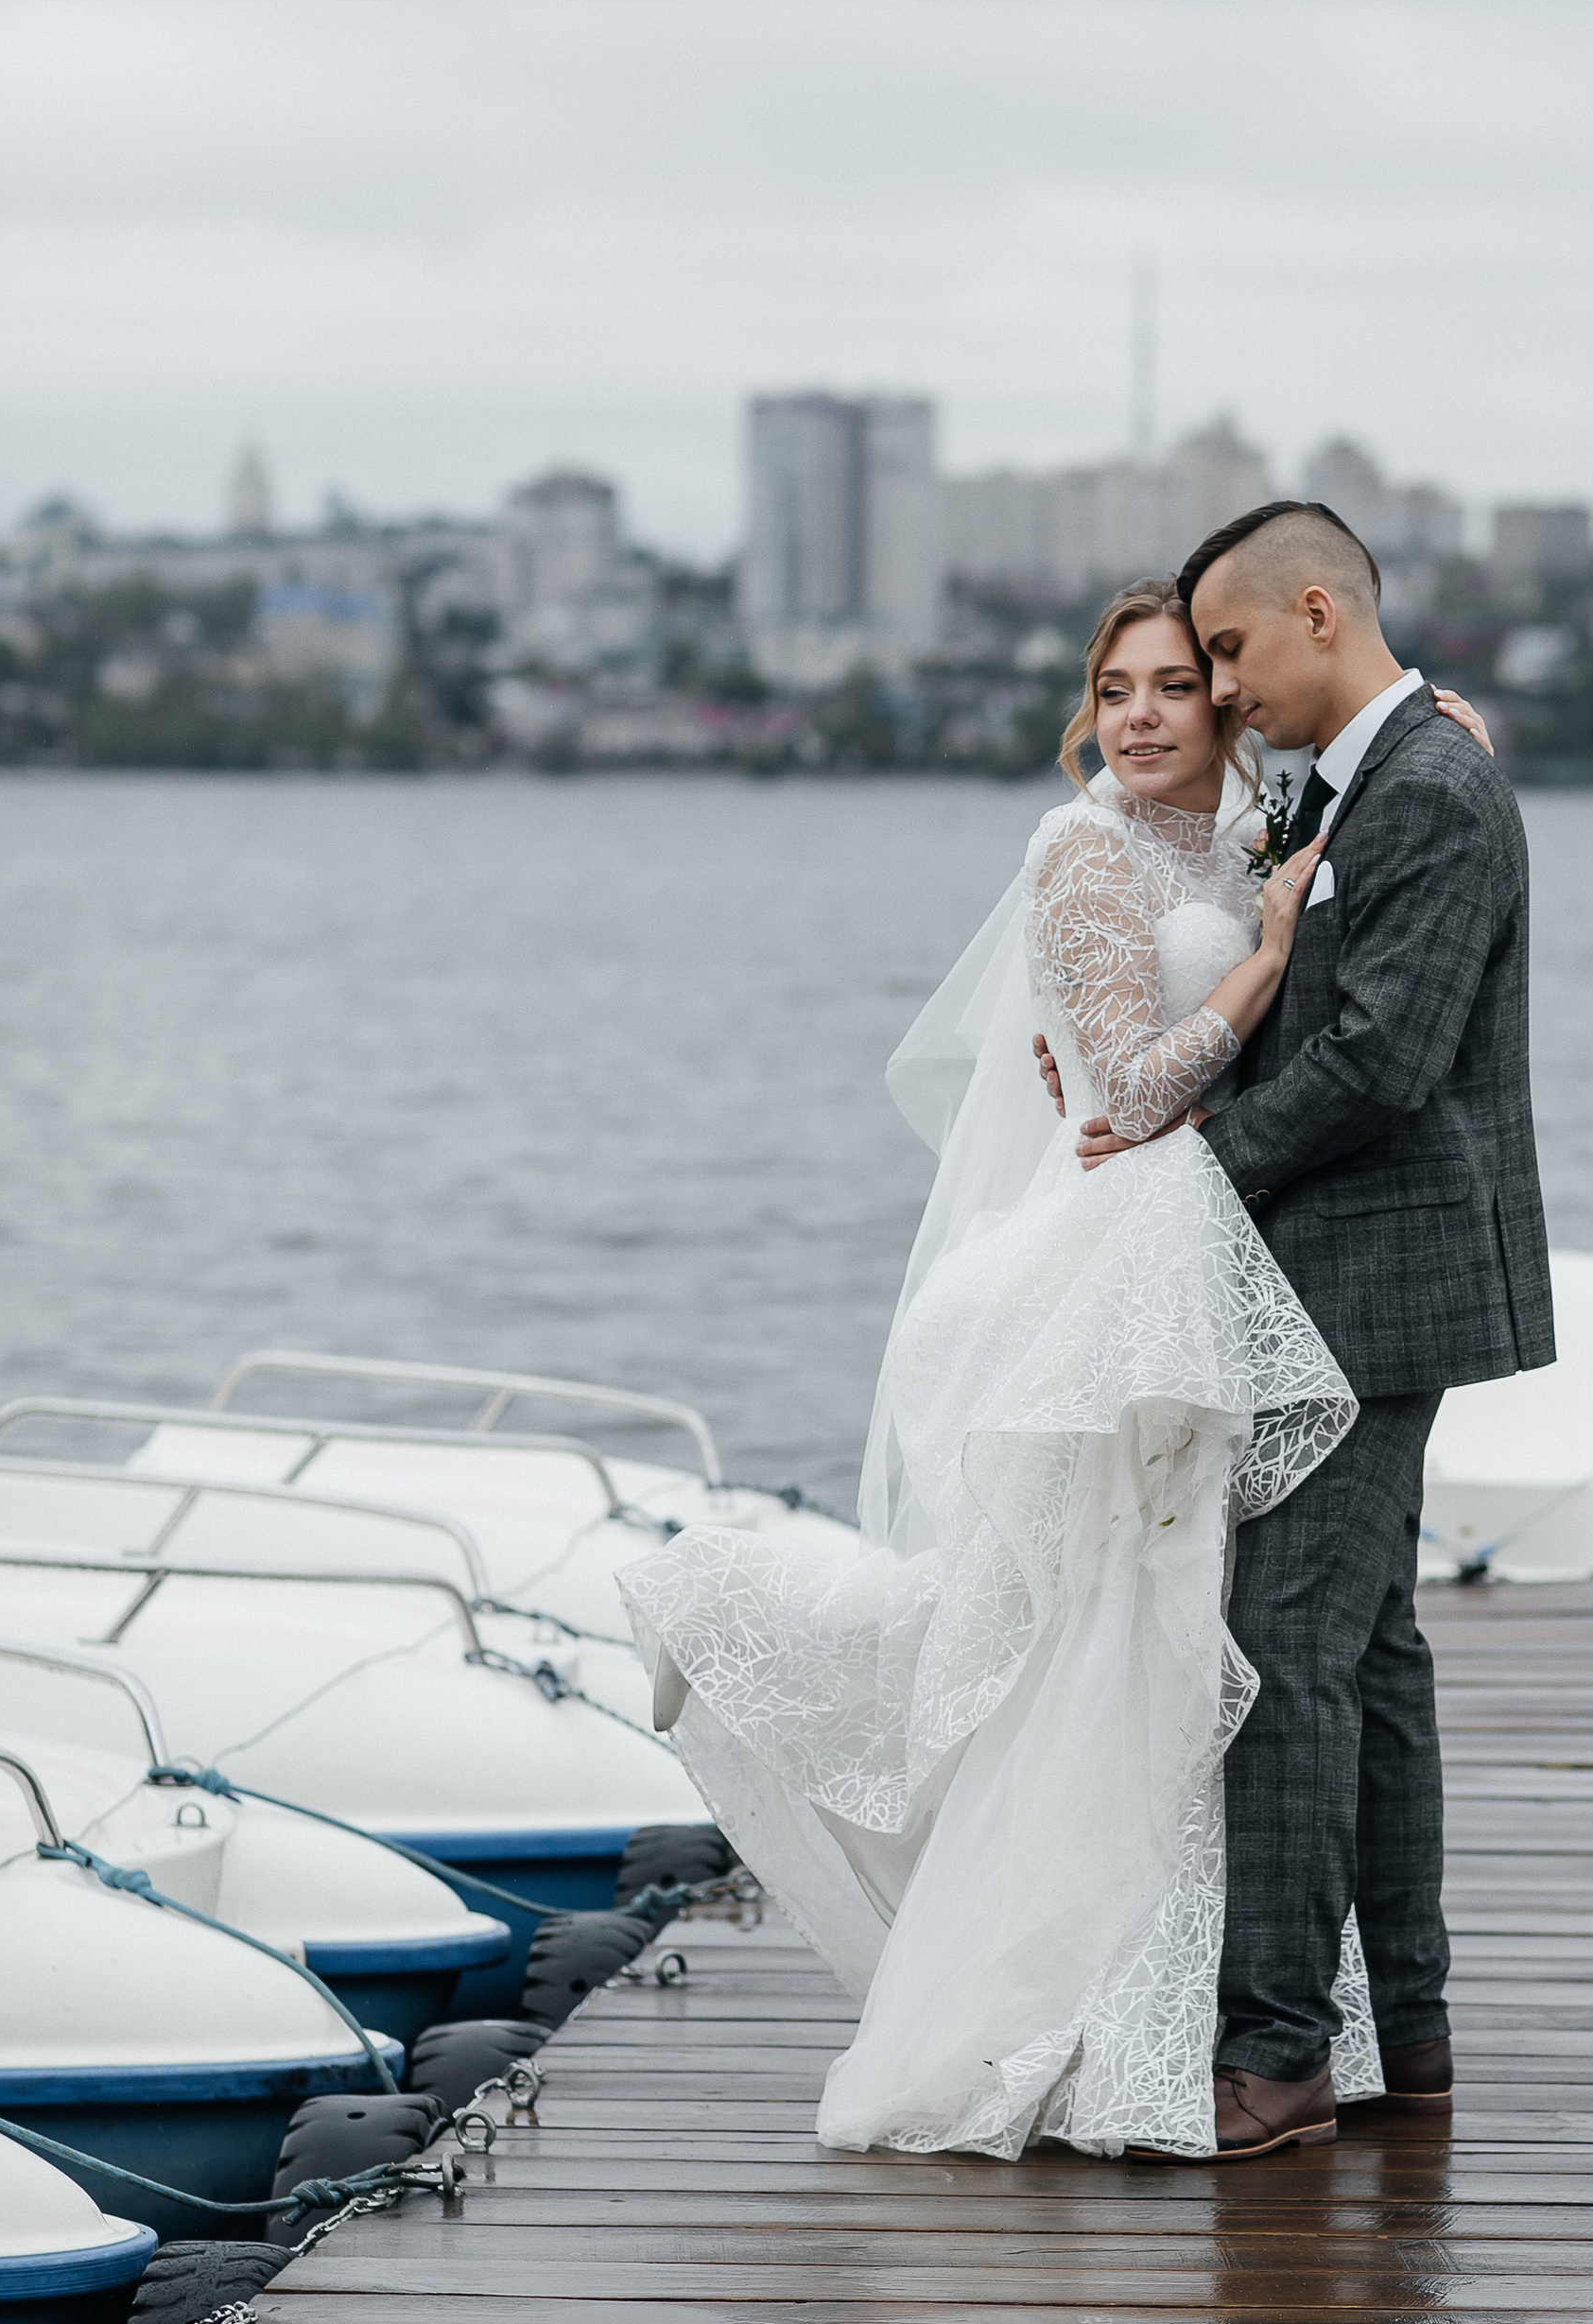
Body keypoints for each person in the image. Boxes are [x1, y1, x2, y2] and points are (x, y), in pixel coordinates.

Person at [621, 576, 1488, 2159]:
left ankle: (1263, 2012)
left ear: (1229, 700)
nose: (1147, 713)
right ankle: (1102, 1998)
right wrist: (1259, 962)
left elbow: (1363, 805)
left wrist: (1427, 747)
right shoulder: (1079, 846)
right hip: (1129, 1256)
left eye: (1179, 682)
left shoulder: (1249, 827)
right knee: (1108, 1617)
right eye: (1120, 687)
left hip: (1222, 1261)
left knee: (1204, 1629)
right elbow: (1128, 1084)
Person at [1068, 502, 1553, 2155]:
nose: (1216, 686)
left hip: (1372, 1282)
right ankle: (1406, 2027)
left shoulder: (1430, 786)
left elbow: (1379, 1060)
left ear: (1320, 611)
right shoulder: (1372, 775)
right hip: (1345, 1275)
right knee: (1374, 1657)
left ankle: (1271, 2060)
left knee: (1284, 1651)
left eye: (1228, 650)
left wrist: (1188, 1171)